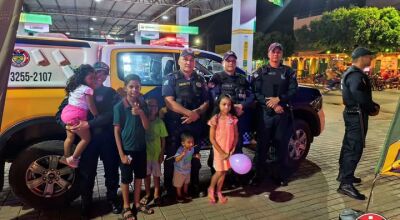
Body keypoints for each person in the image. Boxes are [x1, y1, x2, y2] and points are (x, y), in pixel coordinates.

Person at [56, 62, 121, 216]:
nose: (101, 76)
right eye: (98, 73)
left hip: (106, 139)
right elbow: (60, 114)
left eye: (104, 73)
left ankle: (112, 198)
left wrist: (89, 123)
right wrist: (66, 125)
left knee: (111, 172)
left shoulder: (110, 92)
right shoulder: (77, 90)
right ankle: (86, 203)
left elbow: (112, 114)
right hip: (87, 143)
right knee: (87, 173)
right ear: (91, 75)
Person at [162, 48, 209, 197]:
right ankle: (169, 189)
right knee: (171, 157)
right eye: (185, 59)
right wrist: (189, 113)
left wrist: (197, 113)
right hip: (176, 126)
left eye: (191, 60)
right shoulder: (171, 78)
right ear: (179, 61)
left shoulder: (200, 79)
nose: (188, 62)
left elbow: (207, 101)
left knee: (194, 156)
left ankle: (193, 185)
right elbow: (169, 102)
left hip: (194, 126)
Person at [250, 42, 298, 187]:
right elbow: (255, 92)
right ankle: (258, 175)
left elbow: (293, 90)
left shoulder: (289, 72)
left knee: (279, 145)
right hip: (265, 114)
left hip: (281, 114)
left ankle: (278, 175)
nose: (276, 54)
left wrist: (279, 101)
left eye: (278, 52)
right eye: (273, 52)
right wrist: (270, 104)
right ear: (268, 54)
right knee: (262, 146)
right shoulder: (261, 71)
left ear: (282, 54)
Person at [337, 47, 380, 200]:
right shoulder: (356, 75)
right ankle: (346, 183)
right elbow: (358, 94)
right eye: (370, 57)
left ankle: (344, 174)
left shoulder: (349, 73)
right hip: (357, 114)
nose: (371, 60)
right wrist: (372, 107)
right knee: (354, 147)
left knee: (348, 144)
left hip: (351, 113)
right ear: (362, 57)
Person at [113, 74, 153, 220]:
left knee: (139, 177)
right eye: (131, 86)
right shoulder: (119, 106)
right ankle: (126, 206)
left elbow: (147, 126)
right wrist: (121, 154)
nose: (134, 89)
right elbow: (116, 131)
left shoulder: (143, 105)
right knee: (125, 179)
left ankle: (136, 203)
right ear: (125, 88)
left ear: (140, 87)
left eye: (137, 86)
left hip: (141, 148)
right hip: (127, 149)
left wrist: (141, 113)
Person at [207, 51, 254, 169]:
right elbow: (214, 98)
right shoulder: (216, 78)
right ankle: (216, 173)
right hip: (222, 120)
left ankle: (235, 175)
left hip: (238, 119)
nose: (231, 63)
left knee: (237, 146)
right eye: (228, 60)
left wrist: (242, 106)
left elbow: (252, 96)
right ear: (223, 63)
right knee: (219, 145)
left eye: (233, 61)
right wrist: (232, 108)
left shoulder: (242, 79)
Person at [60, 64, 98, 168]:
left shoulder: (75, 86)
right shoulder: (87, 89)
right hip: (77, 115)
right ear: (83, 78)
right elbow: (91, 105)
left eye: (94, 78)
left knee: (69, 138)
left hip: (67, 113)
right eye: (91, 78)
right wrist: (96, 115)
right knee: (86, 139)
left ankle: (66, 157)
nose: (93, 80)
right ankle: (73, 159)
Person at [207, 95, 238, 204]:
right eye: (224, 104)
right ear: (219, 105)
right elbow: (211, 138)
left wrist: (232, 148)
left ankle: (218, 191)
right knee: (219, 171)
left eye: (229, 105)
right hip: (219, 150)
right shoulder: (215, 119)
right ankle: (211, 188)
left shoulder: (233, 119)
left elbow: (236, 135)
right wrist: (222, 152)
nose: (227, 107)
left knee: (224, 171)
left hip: (229, 151)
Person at [142, 98, 168, 206]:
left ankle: (157, 194)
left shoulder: (160, 122)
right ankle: (148, 194)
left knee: (156, 176)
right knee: (146, 176)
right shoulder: (143, 121)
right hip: (145, 155)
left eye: (155, 106)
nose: (152, 108)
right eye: (149, 105)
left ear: (158, 108)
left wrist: (162, 154)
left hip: (156, 155)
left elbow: (163, 139)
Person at [173, 132, 195, 203]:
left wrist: (195, 156)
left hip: (187, 170)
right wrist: (182, 154)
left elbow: (189, 157)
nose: (191, 144)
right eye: (189, 142)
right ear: (183, 143)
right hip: (179, 171)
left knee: (186, 183)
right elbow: (176, 159)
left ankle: (185, 193)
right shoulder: (180, 149)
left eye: (192, 142)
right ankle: (178, 195)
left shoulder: (192, 149)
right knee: (179, 185)